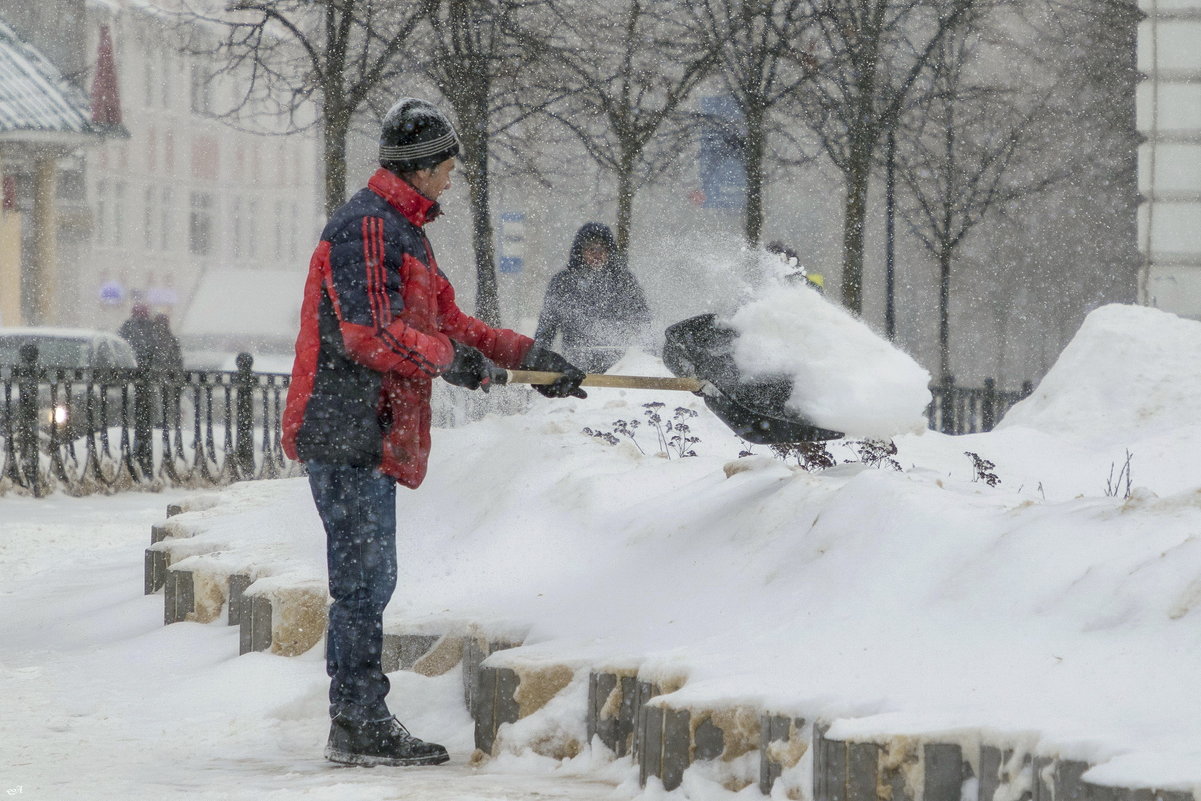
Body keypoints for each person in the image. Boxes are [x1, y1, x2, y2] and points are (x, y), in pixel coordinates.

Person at [281, 97, 587, 769]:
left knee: (371, 578)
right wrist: (456, 366)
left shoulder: (404, 232)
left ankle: (358, 716)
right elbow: (370, 333)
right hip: (344, 425)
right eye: (446, 166)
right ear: (421, 168)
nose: (451, 178)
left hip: (371, 428)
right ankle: (357, 721)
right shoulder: (365, 227)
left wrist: (530, 358)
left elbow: (450, 321)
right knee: (362, 582)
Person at [534, 222, 652, 374]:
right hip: (576, 367)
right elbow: (546, 328)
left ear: (610, 252)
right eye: (591, 249)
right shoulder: (563, 283)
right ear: (580, 251)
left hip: (619, 369)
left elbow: (641, 322)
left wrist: (649, 356)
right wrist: (537, 360)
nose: (597, 253)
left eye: (603, 249)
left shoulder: (623, 281)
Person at [117, 303, 156, 367]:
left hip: (132, 359)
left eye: (141, 312)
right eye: (138, 312)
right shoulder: (151, 326)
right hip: (146, 360)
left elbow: (121, 339)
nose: (139, 316)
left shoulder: (128, 325)